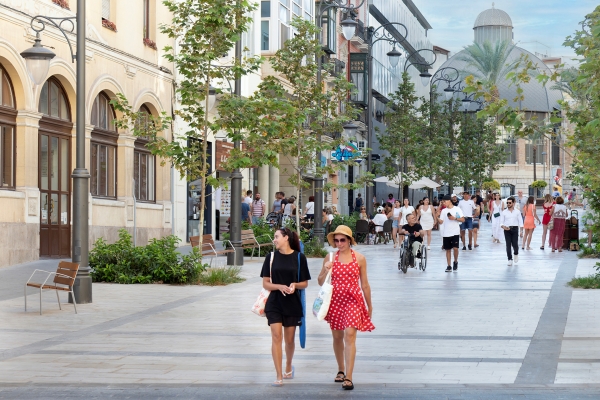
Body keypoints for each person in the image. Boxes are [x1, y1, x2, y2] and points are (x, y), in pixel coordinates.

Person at [319, 225, 374, 390]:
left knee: (349, 334)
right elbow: (321, 282)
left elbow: (365, 284)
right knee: (337, 337)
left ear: (349, 240)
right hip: (335, 301)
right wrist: (325, 270)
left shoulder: (360, 258)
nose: (339, 243)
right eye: (336, 240)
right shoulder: (330, 257)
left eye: (342, 240)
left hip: (353, 300)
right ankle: (341, 369)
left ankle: (349, 377)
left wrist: (369, 306)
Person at [260, 227, 311, 387]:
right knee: (276, 337)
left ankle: (288, 365)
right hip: (274, 302)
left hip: (292, 303)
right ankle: (278, 374)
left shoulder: (299, 257)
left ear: (286, 238)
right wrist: (279, 286)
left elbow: (305, 283)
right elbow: (265, 282)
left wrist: (295, 285)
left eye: (276, 237)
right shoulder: (271, 257)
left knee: (289, 340)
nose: (274, 239)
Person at [436, 194, 465, 272]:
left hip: (455, 232)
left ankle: (455, 261)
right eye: (442, 202)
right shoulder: (444, 211)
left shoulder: (457, 209)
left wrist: (454, 218)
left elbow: (463, 219)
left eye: (444, 201)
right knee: (448, 249)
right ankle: (448, 265)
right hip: (446, 232)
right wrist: (437, 217)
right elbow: (441, 222)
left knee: (455, 248)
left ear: (449, 201)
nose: (443, 203)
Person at [500, 197, 523, 266]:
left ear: (513, 203)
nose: (508, 204)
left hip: (515, 229)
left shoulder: (517, 212)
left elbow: (521, 222)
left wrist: (521, 231)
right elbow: (501, 222)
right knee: (508, 244)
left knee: (515, 244)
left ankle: (516, 254)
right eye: (507, 203)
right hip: (507, 229)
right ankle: (509, 259)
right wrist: (504, 227)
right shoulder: (504, 212)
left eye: (510, 203)